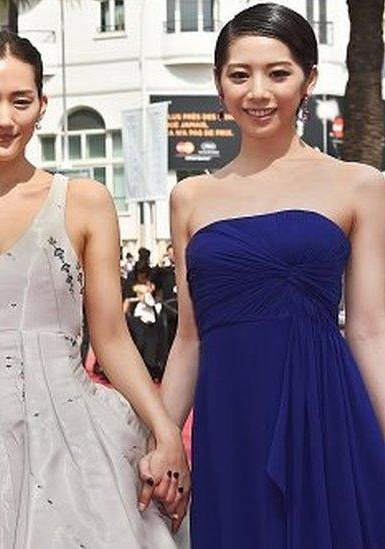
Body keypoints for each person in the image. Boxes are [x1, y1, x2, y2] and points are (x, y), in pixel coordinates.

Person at [0, 31, 188, 548]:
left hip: (70, 440)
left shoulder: (85, 202)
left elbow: (111, 338)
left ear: (42, 106)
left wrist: (166, 431)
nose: (5, 118)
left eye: (21, 101)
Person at [161, 4, 385, 547]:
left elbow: (369, 331)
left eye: (278, 73)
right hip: (229, 421)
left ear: (309, 79)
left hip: (326, 413)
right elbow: (189, 339)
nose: (257, 91)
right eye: (239, 74)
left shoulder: (359, 184)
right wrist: (163, 438)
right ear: (219, 85)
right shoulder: (190, 197)